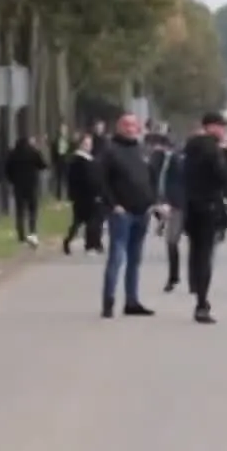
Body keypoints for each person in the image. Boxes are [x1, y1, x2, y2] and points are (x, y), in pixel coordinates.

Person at [178, 112, 227, 324]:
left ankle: (196, 287)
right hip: (209, 205)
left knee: (195, 251)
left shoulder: (190, 147)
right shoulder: (212, 149)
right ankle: (202, 302)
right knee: (205, 254)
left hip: (191, 204)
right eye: (221, 127)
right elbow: (224, 176)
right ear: (211, 127)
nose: (224, 131)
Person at [98, 112, 157, 318]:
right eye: (126, 125)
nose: (131, 128)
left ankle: (132, 301)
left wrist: (153, 202)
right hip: (122, 212)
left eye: (134, 125)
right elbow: (102, 181)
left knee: (135, 259)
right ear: (119, 127)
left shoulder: (142, 150)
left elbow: (150, 177)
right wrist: (113, 204)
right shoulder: (110, 151)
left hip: (142, 211)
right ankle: (108, 301)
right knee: (117, 256)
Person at [62, 132, 103, 255]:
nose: (89, 146)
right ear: (80, 145)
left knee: (81, 221)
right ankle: (91, 244)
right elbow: (85, 179)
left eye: (90, 144)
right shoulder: (78, 161)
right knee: (91, 220)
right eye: (86, 144)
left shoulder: (88, 159)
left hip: (86, 195)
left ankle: (93, 243)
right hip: (85, 195)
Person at [4, 133, 48, 247]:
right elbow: (43, 165)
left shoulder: (13, 154)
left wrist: (12, 180)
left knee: (20, 211)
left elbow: (7, 169)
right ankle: (32, 231)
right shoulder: (33, 153)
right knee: (32, 209)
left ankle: (21, 235)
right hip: (31, 185)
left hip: (18, 185)